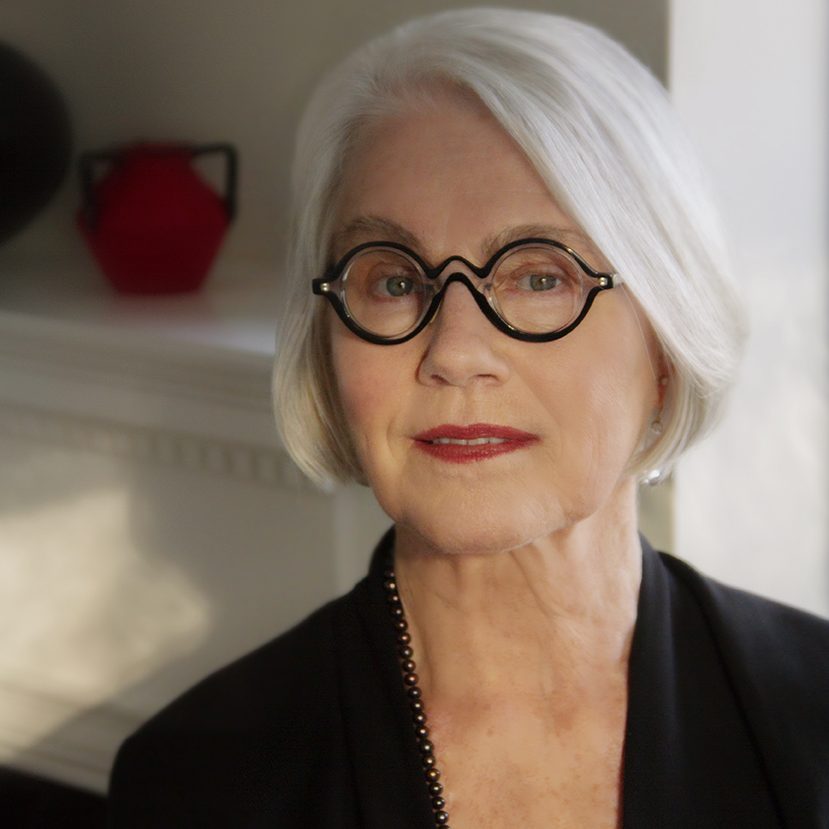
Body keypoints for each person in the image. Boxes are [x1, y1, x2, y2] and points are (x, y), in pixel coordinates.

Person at [108, 8, 829, 828]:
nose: (453, 349)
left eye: (536, 276)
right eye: (391, 281)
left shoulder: (812, 718)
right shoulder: (195, 781)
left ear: (664, 340)